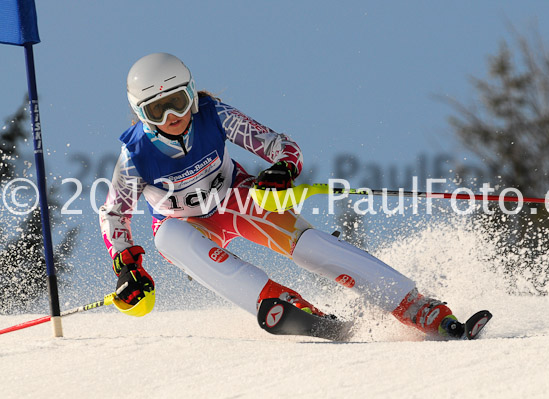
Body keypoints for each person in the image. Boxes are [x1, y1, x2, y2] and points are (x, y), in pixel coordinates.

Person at [99, 52, 465, 338]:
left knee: (311, 247)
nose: (173, 115)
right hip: (183, 224)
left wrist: (281, 169)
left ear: (192, 93)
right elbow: (113, 214)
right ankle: (282, 302)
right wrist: (127, 265)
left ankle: (413, 305)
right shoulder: (134, 156)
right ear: (140, 113)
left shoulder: (215, 115)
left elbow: (278, 145)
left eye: (179, 101)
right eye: (157, 110)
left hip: (235, 199)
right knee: (172, 239)